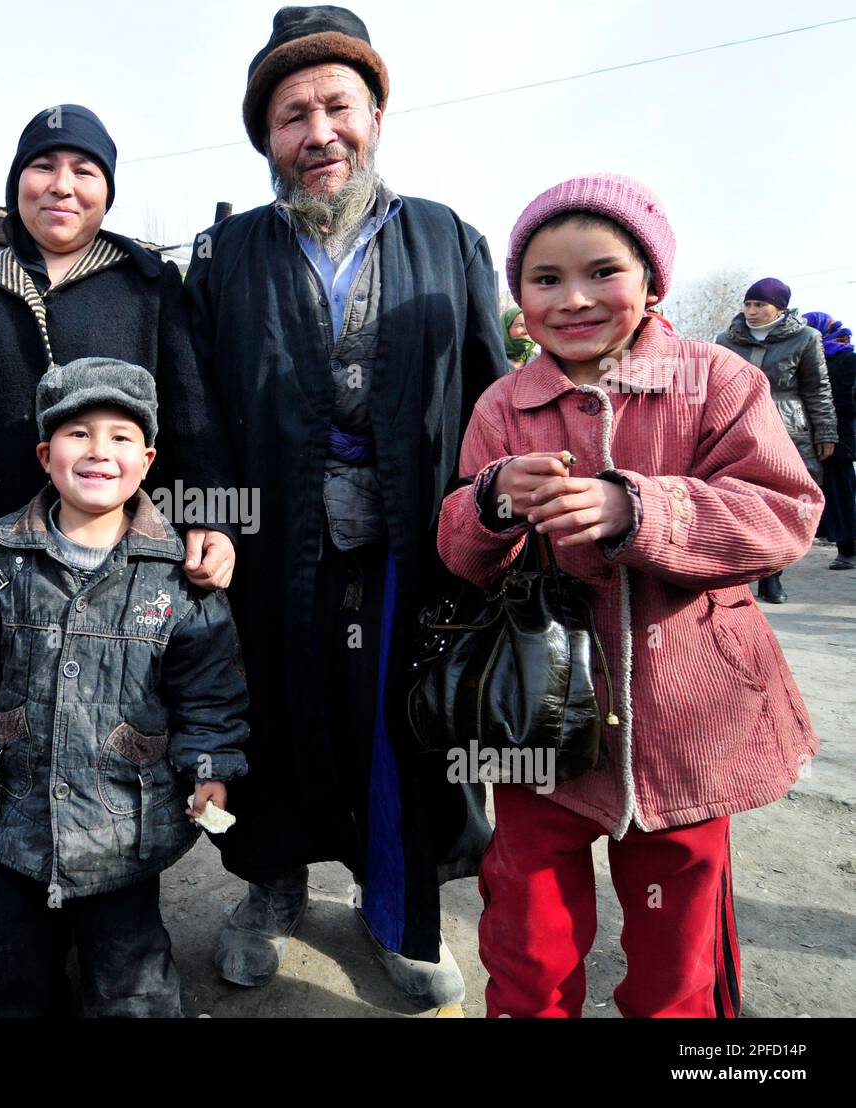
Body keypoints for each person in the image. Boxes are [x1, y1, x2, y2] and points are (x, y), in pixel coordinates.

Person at [438, 174, 821, 1018]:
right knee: (528, 945)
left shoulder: (720, 381)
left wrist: (637, 506)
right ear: (519, 297)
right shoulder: (505, 403)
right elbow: (459, 546)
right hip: (539, 725)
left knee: (676, 964)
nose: (573, 299)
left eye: (602, 271)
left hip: (689, 722)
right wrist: (496, 501)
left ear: (653, 281)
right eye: (545, 279)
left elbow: (785, 515)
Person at [184, 5, 506, 1009]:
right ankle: (269, 889)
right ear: (266, 137)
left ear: (375, 114)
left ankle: (397, 907)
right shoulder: (225, 252)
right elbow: (195, 405)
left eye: (336, 107)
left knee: (400, 728)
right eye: (291, 116)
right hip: (270, 541)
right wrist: (211, 520)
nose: (317, 133)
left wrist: (492, 520)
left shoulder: (448, 237)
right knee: (273, 718)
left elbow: (492, 392)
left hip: (416, 536)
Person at [0, 358, 248, 1017]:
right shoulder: (0, 554)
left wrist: (210, 772)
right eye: (77, 433)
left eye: (121, 437)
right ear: (44, 453)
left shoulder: (179, 572)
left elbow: (210, 690)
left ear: (147, 460)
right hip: (17, 821)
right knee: (18, 978)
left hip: (125, 831)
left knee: (131, 982)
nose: (99, 451)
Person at [0, 103, 236, 606]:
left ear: (106, 192)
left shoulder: (149, 285)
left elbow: (191, 410)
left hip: (129, 566)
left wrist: (209, 516)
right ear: (17, 183)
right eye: (43, 167)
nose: (62, 185)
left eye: (84, 171)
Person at [715, 278, 837, 602]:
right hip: (739, 424)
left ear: (779, 309)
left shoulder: (806, 338)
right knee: (738, 495)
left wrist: (826, 431)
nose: (751, 312)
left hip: (788, 427)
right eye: (748, 304)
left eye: (760, 305)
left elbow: (817, 388)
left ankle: (772, 575)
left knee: (780, 499)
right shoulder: (726, 340)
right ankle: (741, 573)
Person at [802, 312, 856, 569]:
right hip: (815, 432)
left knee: (842, 491)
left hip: (842, 435)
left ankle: (848, 548)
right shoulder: (810, 356)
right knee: (830, 490)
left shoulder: (847, 358)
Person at [503, 306, 535, 370]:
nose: (526, 331)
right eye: (520, 325)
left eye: (529, 325)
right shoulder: (493, 361)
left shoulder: (542, 360)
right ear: (506, 329)